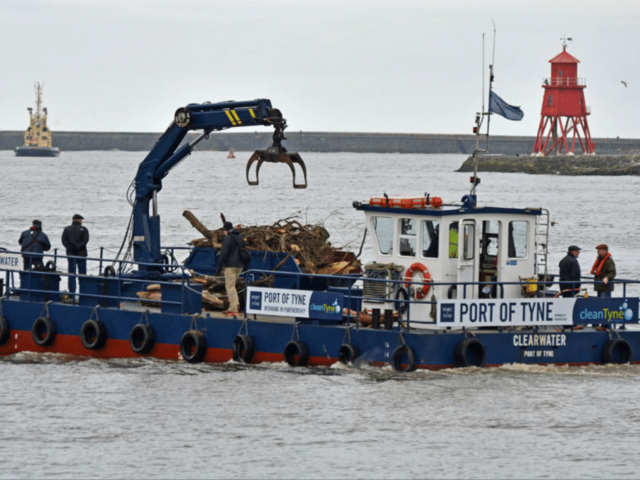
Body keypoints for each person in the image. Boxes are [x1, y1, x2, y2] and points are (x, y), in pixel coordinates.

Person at [214, 221, 246, 316]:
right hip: (240, 265)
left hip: (231, 266)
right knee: (233, 286)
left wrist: (219, 267)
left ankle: (233, 308)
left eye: (224, 230)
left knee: (230, 286)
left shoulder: (227, 238)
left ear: (226, 231)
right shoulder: (239, 237)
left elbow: (224, 253)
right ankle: (236, 304)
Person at [61, 214, 90, 294]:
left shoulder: (67, 229)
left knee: (71, 274)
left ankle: (72, 292)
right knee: (82, 274)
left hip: (71, 254)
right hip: (82, 254)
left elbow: (64, 241)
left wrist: (71, 248)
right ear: (79, 220)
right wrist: (79, 247)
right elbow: (85, 240)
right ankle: (83, 292)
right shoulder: (84, 229)